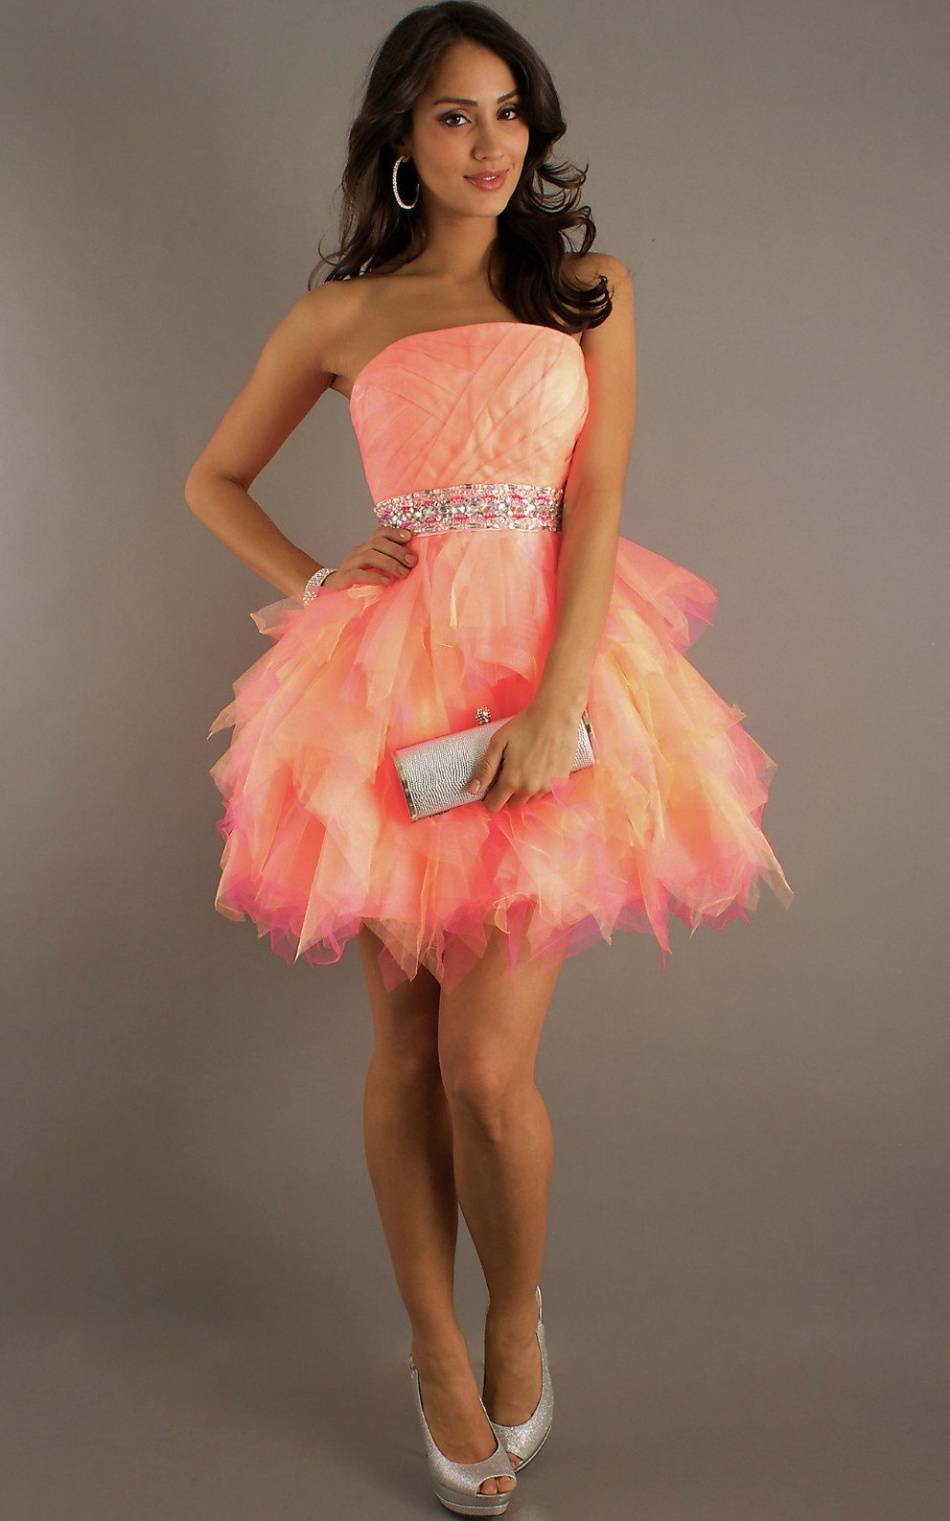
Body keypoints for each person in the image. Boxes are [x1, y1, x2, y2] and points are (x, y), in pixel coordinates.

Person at [185, 4, 793, 1512]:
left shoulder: (588, 289)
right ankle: (434, 1349)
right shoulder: (340, 317)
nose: (489, 143)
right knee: (403, 1050)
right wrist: (316, 580)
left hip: (550, 674)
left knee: (484, 1065)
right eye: (454, 115)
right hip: (384, 695)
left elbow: (598, 495)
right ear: (401, 136)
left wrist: (554, 701)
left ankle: (514, 1315)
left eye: (510, 112)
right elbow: (214, 477)